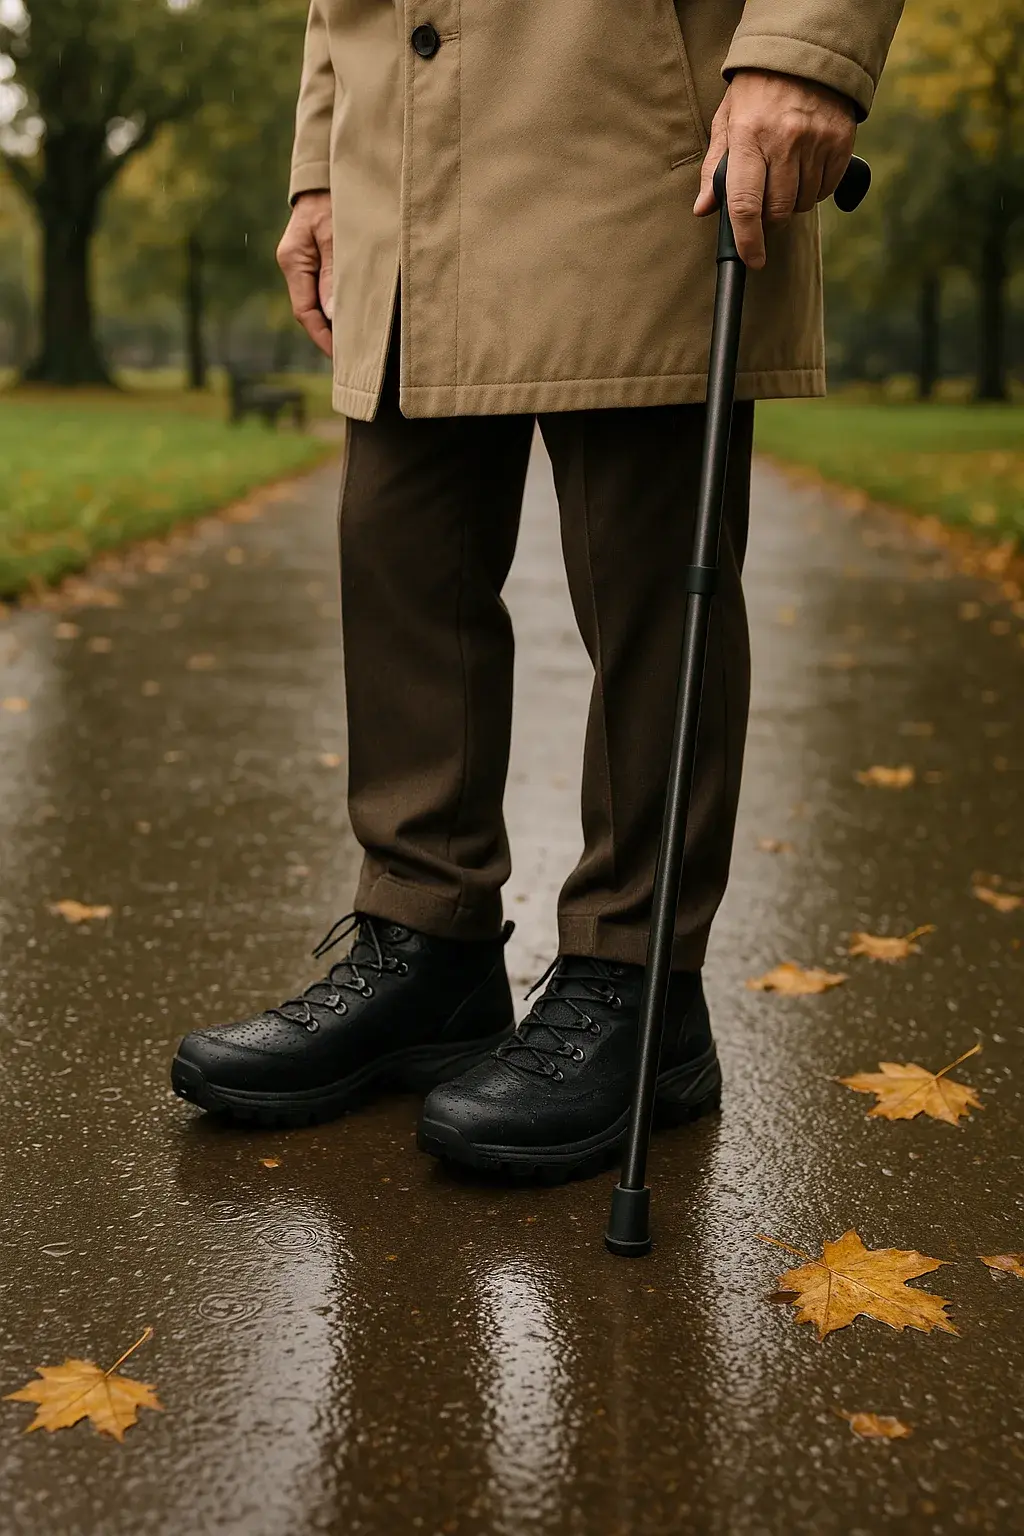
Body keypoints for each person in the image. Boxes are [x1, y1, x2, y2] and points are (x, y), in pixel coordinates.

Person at [171, 0, 904, 1178]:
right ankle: (426, 951)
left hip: (624, 117)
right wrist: (319, 166)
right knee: (396, 551)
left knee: (643, 575)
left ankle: (638, 982)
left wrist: (804, 51)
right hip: (398, 150)